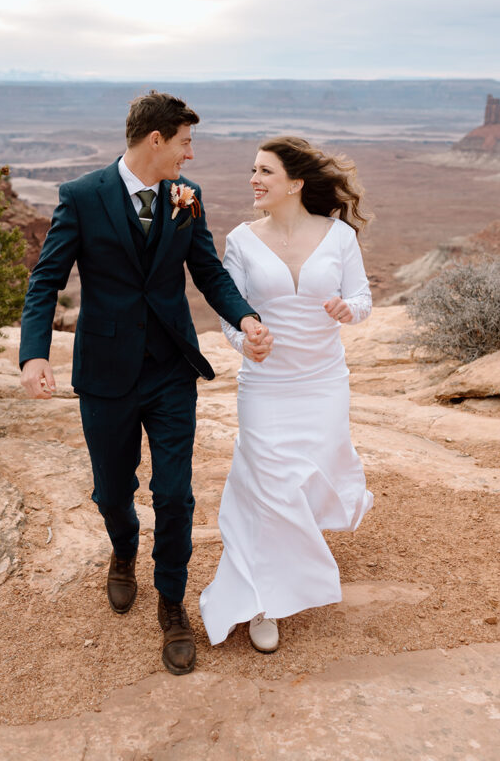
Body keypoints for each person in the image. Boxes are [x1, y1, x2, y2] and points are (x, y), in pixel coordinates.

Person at [19, 91, 272, 676]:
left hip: (170, 370)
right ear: (155, 140)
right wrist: (34, 355)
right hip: (106, 372)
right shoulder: (82, 197)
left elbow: (207, 271)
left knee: (176, 494)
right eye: (185, 141)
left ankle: (172, 605)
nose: (192, 152)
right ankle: (123, 548)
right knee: (112, 491)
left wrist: (245, 316)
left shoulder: (189, 197)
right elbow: (45, 282)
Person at [199, 135, 373, 653]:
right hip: (267, 385)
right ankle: (258, 604)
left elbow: (363, 297)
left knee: (306, 479)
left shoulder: (339, 236)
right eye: (253, 170)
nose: (254, 179)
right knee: (266, 487)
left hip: (322, 382)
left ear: (295, 183)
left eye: (265, 172)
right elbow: (231, 311)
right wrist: (245, 341)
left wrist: (348, 310)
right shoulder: (242, 240)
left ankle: (289, 560)